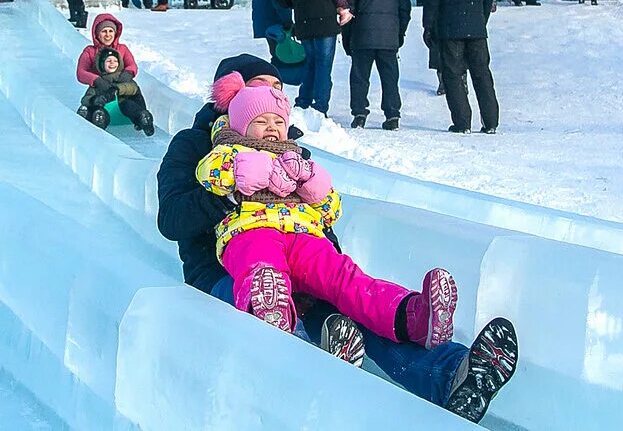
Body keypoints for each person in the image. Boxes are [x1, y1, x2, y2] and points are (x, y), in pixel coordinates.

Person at [156, 56, 517, 423]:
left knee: (352, 300)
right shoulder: (196, 146)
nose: (272, 98)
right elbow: (171, 219)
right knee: (291, 307)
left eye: (278, 91)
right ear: (232, 97)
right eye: (259, 88)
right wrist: (230, 192)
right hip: (227, 273)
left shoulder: (290, 152)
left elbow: (317, 214)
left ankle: (453, 374)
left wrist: (329, 271)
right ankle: (318, 373)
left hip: (299, 260)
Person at [424, 0, 499, 134]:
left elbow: (432, 0)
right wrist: (480, 19)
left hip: (449, 30)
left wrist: (428, 26)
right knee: (482, 74)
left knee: (453, 75)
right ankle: (491, 122)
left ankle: (462, 122)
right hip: (476, 28)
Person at [346, 0, 410, 131]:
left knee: (360, 77)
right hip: (388, 39)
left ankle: (359, 114)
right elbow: (404, 10)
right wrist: (399, 34)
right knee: (389, 77)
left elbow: (349, 11)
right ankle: (392, 115)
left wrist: (348, 40)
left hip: (361, 37)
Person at [77, 47, 154, 135]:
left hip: (126, 113)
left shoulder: (123, 77)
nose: (112, 63)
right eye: (108, 61)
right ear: (102, 64)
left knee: (128, 104)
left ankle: (143, 118)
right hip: (108, 113)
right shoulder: (99, 81)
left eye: (115, 61)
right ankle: (99, 119)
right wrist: (94, 100)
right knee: (96, 107)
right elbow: (86, 98)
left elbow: (133, 88)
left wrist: (117, 89)